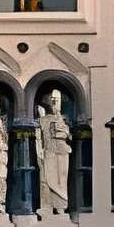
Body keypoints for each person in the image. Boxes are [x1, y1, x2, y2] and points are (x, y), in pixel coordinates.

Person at [37, 88, 73, 216]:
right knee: (47, 178)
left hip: (62, 151)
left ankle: (61, 207)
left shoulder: (64, 119)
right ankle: (47, 206)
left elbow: (69, 136)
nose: (54, 103)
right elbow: (39, 136)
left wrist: (62, 130)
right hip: (49, 151)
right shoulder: (43, 119)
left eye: (56, 100)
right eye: (52, 100)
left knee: (61, 179)